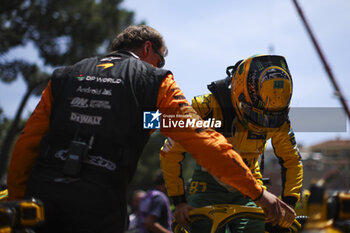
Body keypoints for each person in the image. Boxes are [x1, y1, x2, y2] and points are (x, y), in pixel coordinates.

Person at [6, 25, 296, 233]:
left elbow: (27, 142)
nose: (161, 65)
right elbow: (203, 140)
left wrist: (19, 202)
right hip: (99, 203)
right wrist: (259, 193)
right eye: (161, 59)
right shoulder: (155, 79)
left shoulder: (64, 76)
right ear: (147, 49)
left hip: (40, 196)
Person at [160, 54, 303, 232]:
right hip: (206, 188)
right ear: (239, 94)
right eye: (259, 116)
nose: (265, 123)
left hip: (251, 190)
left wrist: (288, 203)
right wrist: (179, 202)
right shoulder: (205, 108)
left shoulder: (278, 117)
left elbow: (292, 160)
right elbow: (170, 153)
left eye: (272, 119)